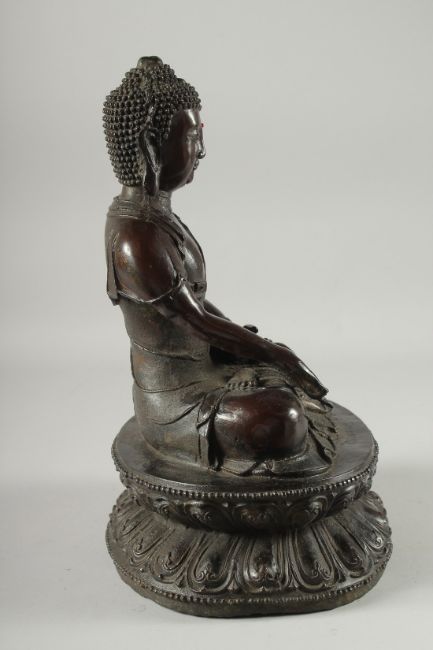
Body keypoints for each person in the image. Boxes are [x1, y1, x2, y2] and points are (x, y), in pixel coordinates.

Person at [103, 57, 334, 475]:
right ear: (151, 146)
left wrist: (251, 345)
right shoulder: (136, 236)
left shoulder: (158, 217)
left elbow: (198, 307)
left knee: (274, 380)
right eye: (192, 137)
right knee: (280, 417)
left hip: (207, 366)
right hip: (178, 401)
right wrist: (280, 356)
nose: (202, 151)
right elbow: (193, 320)